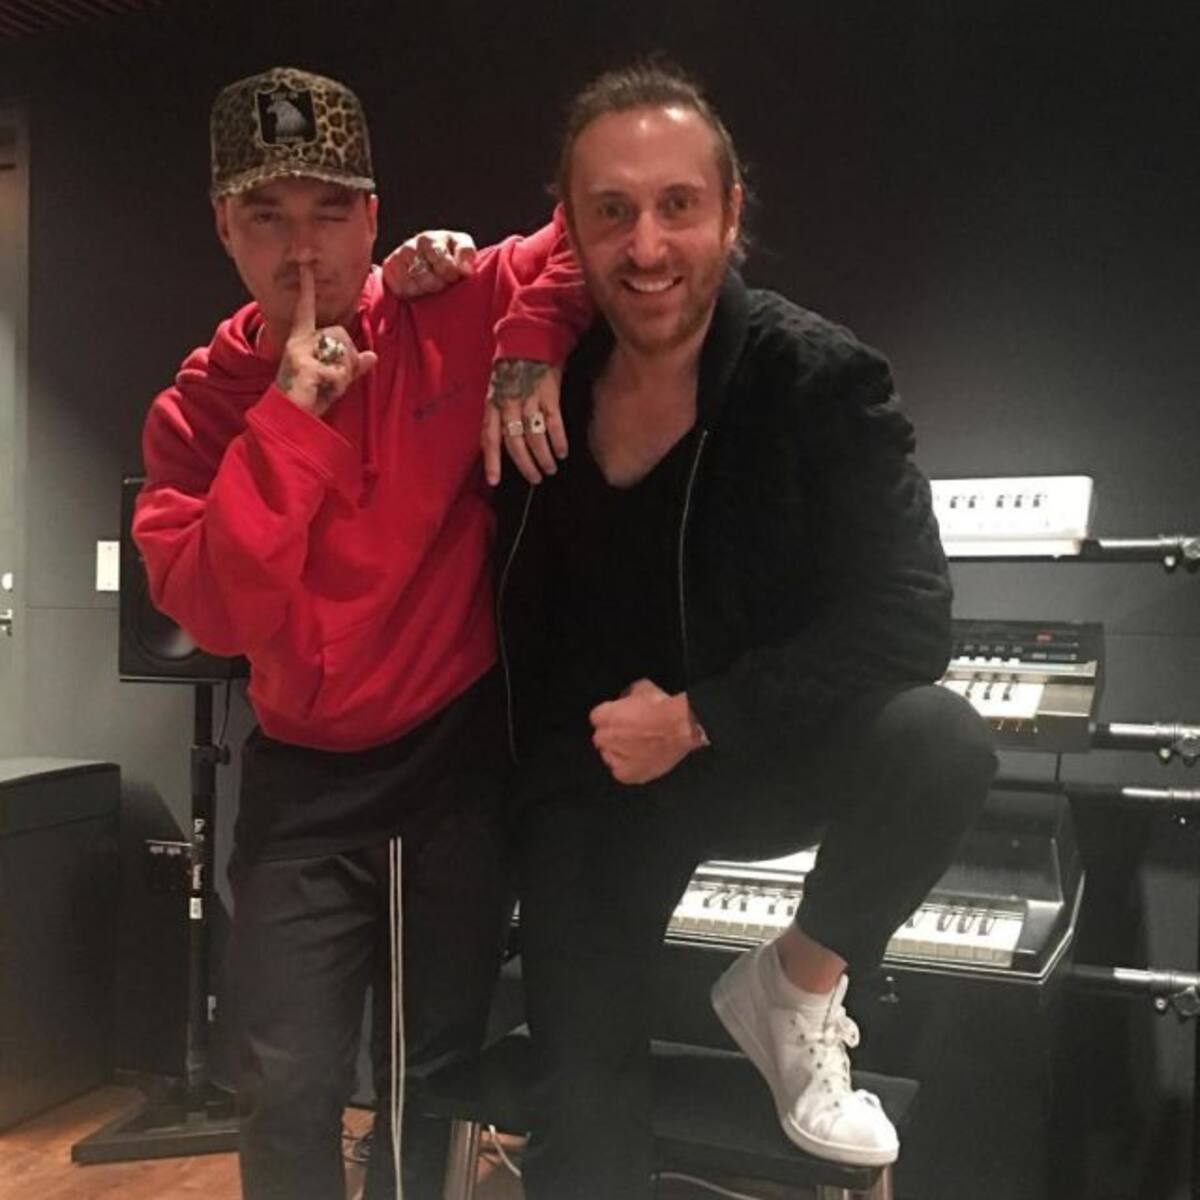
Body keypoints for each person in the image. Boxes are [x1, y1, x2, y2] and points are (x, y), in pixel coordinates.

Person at [493, 62, 998, 1199]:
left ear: (730, 211)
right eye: (612, 211)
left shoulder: (820, 377)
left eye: (677, 205)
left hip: (768, 749)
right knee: (580, 1098)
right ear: (571, 226)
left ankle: (798, 982)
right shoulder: (539, 389)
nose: (647, 246)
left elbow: (908, 618)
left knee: (941, 739)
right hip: (597, 784)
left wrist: (698, 718)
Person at [132, 66, 588, 1200]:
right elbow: (215, 610)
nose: (303, 251)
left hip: (451, 761)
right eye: (266, 217)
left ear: (374, 217)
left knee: (430, 1076)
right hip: (301, 777)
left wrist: (528, 329)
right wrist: (289, 416)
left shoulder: (446, 307)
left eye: (330, 211)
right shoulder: (197, 409)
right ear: (222, 228)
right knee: (281, 1081)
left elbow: (607, 224)